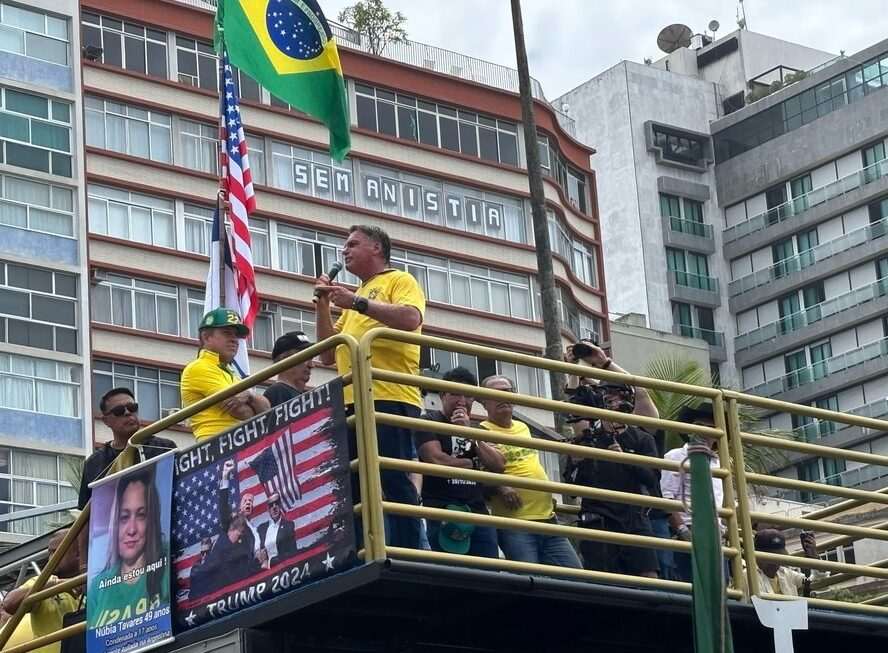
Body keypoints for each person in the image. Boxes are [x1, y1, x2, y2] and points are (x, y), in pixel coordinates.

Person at [314, 225, 426, 549]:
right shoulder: (352, 303)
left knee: (392, 476)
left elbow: (409, 318)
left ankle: (410, 550)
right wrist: (322, 305)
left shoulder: (399, 280)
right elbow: (325, 354)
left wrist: (357, 303)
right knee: (353, 481)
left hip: (390, 396)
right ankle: (364, 550)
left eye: (353, 244)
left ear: (376, 248)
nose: (345, 251)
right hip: (352, 401)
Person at [479, 375, 582, 568]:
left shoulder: (523, 427)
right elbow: (479, 473)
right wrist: (501, 486)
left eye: (507, 392)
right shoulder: (481, 431)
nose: (502, 397)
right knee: (529, 580)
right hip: (515, 523)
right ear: (484, 402)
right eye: (494, 393)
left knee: (576, 576)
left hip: (548, 519)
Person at [78, 388, 176, 574]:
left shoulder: (164, 448)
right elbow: (84, 519)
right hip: (111, 564)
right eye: (119, 411)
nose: (128, 413)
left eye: (132, 407)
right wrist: (84, 566)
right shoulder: (94, 463)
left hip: (162, 549)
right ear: (106, 420)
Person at [413, 367, 505, 557]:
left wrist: (469, 434)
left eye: (469, 396)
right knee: (446, 574)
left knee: (489, 574)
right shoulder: (428, 421)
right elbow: (436, 460)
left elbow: (498, 465)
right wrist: (473, 464)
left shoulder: (479, 430)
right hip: (439, 508)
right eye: (455, 394)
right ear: (442, 395)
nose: (462, 401)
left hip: (477, 510)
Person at [87, 470, 170, 630]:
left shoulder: (167, 564)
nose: (131, 529)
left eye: (141, 515)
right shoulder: (98, 587)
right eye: (124, 517)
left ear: (152, 519)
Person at [180, 308, 270, 441]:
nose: (234, 340)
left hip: (235, 446)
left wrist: (249, 395)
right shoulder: (199, 367)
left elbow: (267, 410)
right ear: (206, 337)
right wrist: (252, 403)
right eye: (227, 333)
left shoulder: (229, 372)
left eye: (236, 335)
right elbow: (242, 412)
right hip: (215, 447)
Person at [660, 402, 725, 582]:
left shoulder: (720, 463)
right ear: (689, 429)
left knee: (721, 586)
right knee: (690, 583)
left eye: (711, 428)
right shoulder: (675, 456)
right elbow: (667, 497)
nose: (704, 432)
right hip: (689, 529)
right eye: (699, 426)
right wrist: (682, 530)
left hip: (715, 535)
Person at [1, 530, 79, 653]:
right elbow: (10, 604)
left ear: (78, 552)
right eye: (50, 553)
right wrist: (56, 584)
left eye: (56, 551)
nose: (51, 558)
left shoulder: (98, 583)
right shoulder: (44, 582)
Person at [755, 529, 823, 597]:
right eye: (772, 556)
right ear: (760, 555)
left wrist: (814, 556)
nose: (776, 562)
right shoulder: (750, 577)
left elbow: (818, 582)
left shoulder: (786, 573)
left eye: (780, 555)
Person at [264, 331, 315, 407]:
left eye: (311, 358)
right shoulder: (277, 392)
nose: (311, 365)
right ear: (284, 360)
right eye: (305, 357)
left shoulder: (305, 398)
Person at [257, 493, 297, 566]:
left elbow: (292, 552)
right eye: (271, 505)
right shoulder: (261, 529)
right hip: (264, 571)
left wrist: (271, 562)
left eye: (276, 503)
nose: (274, 507)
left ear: (280, 506)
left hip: (283, 568)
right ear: (268, 509)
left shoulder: (288, 526)